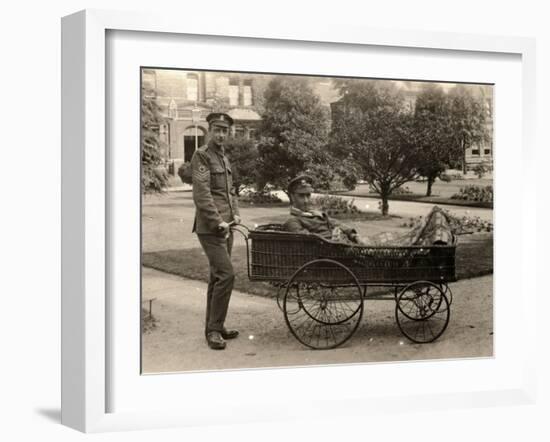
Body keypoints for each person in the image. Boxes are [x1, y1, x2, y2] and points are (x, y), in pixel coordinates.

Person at [283, 175, 454, 247]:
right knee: (396, 245)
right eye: (301, 196)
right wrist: (340, 238)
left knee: (393, 238)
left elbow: (335, 223)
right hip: (342, 252)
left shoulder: (314, 213)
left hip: (351, 244)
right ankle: (429, 235)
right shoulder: (294, 222)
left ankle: (430, 228)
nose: (306, 200)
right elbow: (312, 243)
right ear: (292, 196)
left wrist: (352, 233)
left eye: (308, 195)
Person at [191, 112, 241, 350]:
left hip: (227, 226)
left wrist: (235, 214)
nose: (221, 134)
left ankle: (215, 326)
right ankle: (213, 330)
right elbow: (202, 193)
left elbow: (230, 192)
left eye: (224, 131)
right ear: (209, 130)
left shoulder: (224, 158)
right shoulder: (201, 156)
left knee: (217, 277)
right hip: (211, 228)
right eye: (217, 130)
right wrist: (217, 221)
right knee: (226, 275)